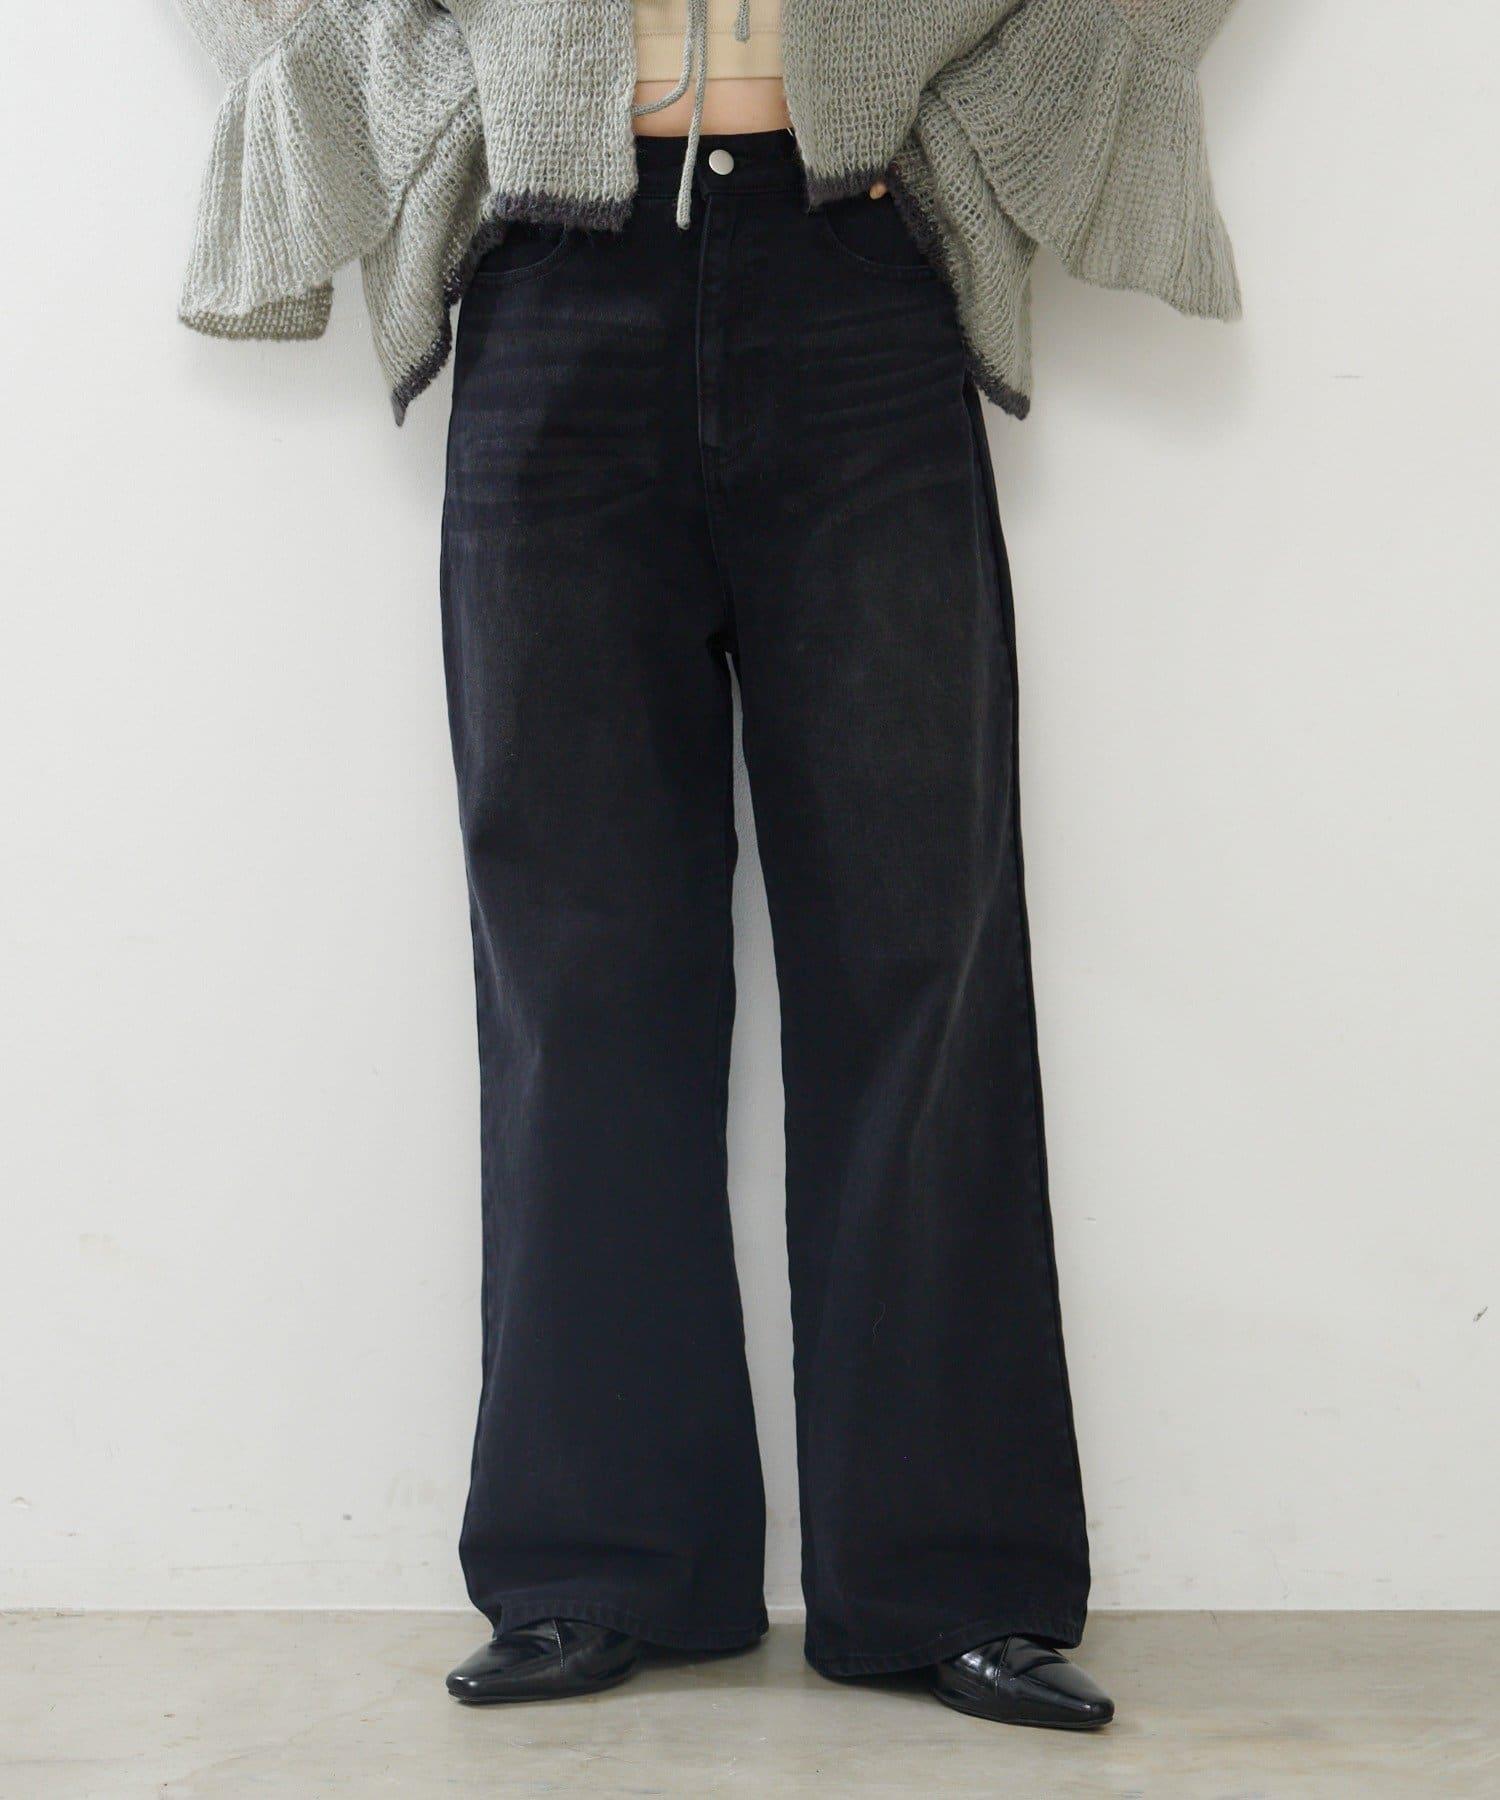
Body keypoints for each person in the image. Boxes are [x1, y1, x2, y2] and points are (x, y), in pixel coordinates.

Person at [177, 0, 1241, 1731]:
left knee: (920, 941)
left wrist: (983, 110)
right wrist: (448, 86)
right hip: (554, 275)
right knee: (575, 960)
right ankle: (598, 1561)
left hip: (858, 257)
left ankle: (952, 1578)